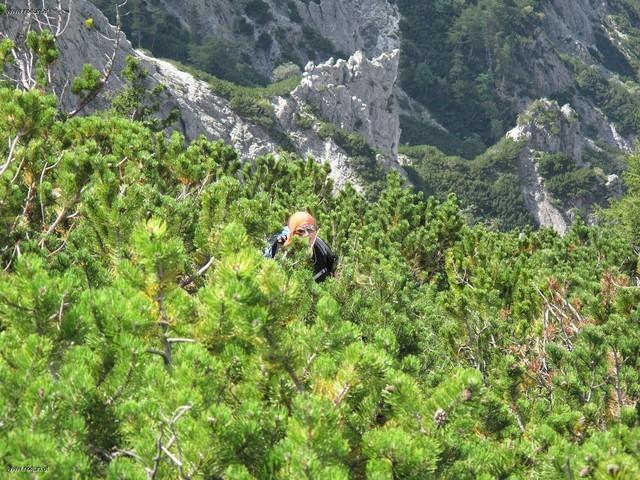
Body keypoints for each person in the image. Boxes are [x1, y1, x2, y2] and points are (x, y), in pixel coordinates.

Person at [264, 211, 338, 282]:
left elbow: (332, 275)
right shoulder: (280, 248)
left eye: (309, 230)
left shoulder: (322, 249)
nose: (306, 234)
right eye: (300, 231)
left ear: (315, 232)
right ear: (292, 232)